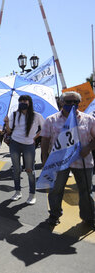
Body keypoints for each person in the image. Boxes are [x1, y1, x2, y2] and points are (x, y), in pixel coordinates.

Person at [40, 91, 95, 227]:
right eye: (68, 102)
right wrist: (45, 159)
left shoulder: (89, 120)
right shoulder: (51, 120)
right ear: (61, 103)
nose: (72, 104)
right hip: (59, 162)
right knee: (56, 190)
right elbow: (45, 141)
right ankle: (54, 214)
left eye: (75, 102)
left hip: (83, 161)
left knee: (85, 191)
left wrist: (88, 148)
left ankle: (89, 217)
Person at [6, 95, 45, 204]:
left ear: (29, 102)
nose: (22, 102)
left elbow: (44, 127)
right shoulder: (14, 114)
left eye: (24, 100)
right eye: (20, 101)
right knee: (16, 169)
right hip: (14, 143)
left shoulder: (37, 116)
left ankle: (32, 194)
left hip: (29, 145)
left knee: (30, 170)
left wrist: (35, 137)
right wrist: (6, 123)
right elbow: (9, 131)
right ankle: (17, 191)